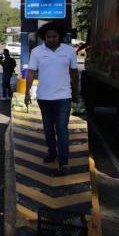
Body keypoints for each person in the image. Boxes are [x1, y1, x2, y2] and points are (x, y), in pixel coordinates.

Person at [25, 22, 79, 172]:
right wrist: (26, 92)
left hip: (63, 97)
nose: (51, 39)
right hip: (44, 97)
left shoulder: (69, 51)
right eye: (48, 37)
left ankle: (64, 161)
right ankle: (51, 152)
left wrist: (76, 93)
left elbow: (74, 74)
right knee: (48, 128)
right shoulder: (36, 52)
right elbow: (30, 73)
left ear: (60, 37)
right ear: (43, 37)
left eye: (54, 36)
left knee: (61, 128)